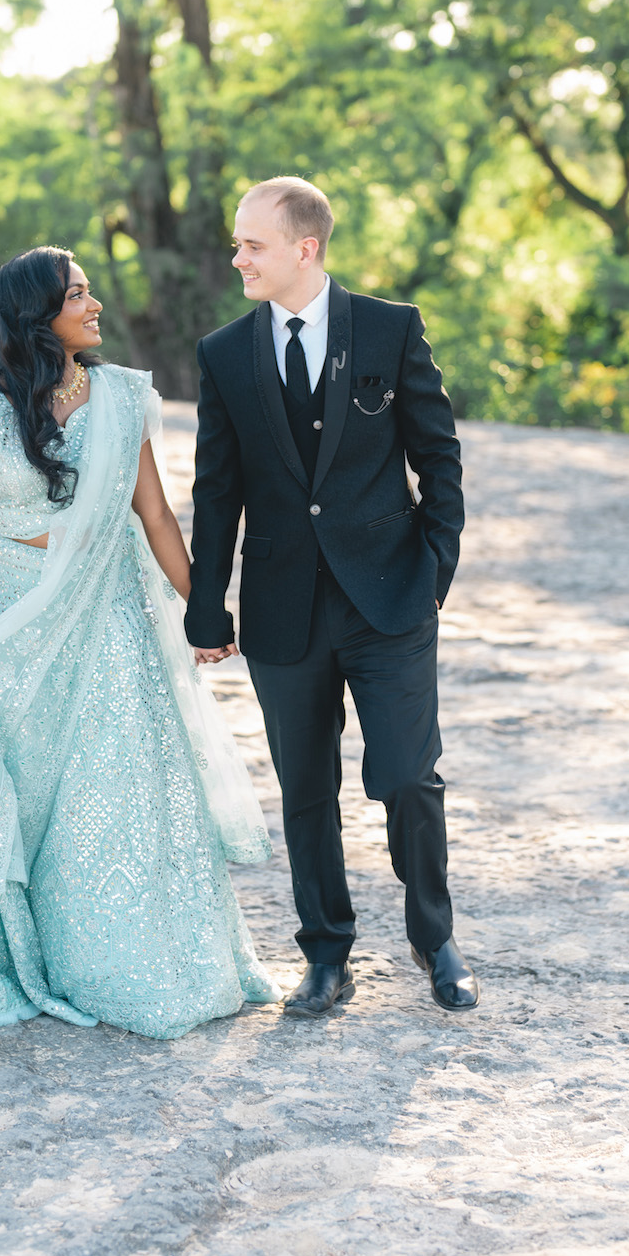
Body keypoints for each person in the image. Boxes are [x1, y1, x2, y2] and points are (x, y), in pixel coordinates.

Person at [0, 246, 279, 1039]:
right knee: (9, 785)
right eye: (78, 294)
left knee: (111, 785)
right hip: (9, 618)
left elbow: (156, 516)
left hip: (108, 615)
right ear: (39, 314)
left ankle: (106, 958)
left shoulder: (120, 398)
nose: (96, 304)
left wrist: (202, 608)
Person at [185, 177, 479, 1016]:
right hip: (283, 609)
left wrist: (434, 573)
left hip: (390, 601)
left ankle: (434, 937)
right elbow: (217, 491)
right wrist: (209, 603)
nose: (237, 257)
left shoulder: (390, 329)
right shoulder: (223, 354)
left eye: (252, 244)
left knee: (407, 777)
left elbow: (439, 456)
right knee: (305, 789)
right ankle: (326, 954)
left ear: (303, 249)